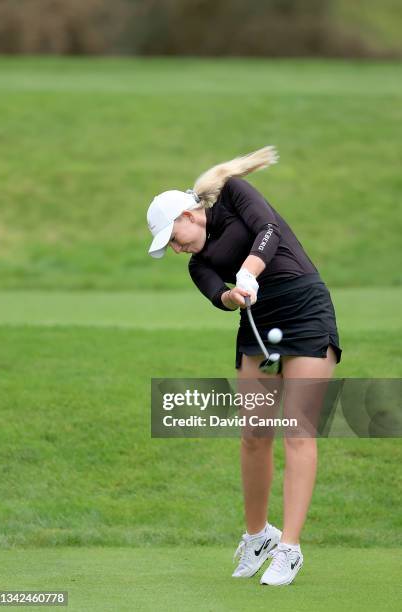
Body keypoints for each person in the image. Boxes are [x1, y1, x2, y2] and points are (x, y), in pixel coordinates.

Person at [146, 146, 342, 587]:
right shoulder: (198, 266)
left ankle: (289, 548)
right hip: (257, 323)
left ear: (188, 216)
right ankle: (258, 536)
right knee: (254, 434)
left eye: (174, 238)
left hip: (306, 307)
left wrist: (250, 271)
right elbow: (218, 292)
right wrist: (232, 296)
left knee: (298, 430)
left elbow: (268, 229)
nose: (176, 249)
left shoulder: (233, 192)